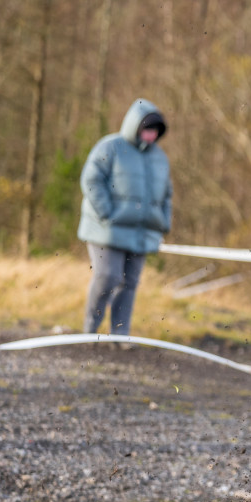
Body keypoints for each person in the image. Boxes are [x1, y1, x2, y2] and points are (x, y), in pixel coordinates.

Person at [77, 98, 173, 337]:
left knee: (129, 285)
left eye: (155, 131)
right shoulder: (110, 147)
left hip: (142, 233)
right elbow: (91, 180)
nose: (151, 135)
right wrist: (107, 212)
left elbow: (167, 195)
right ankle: (90, 330)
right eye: (147, 129)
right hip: (106, 230)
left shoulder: (160, 158)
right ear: (135, 126)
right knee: (107, 276)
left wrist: (162, 223)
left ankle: (120, 334)